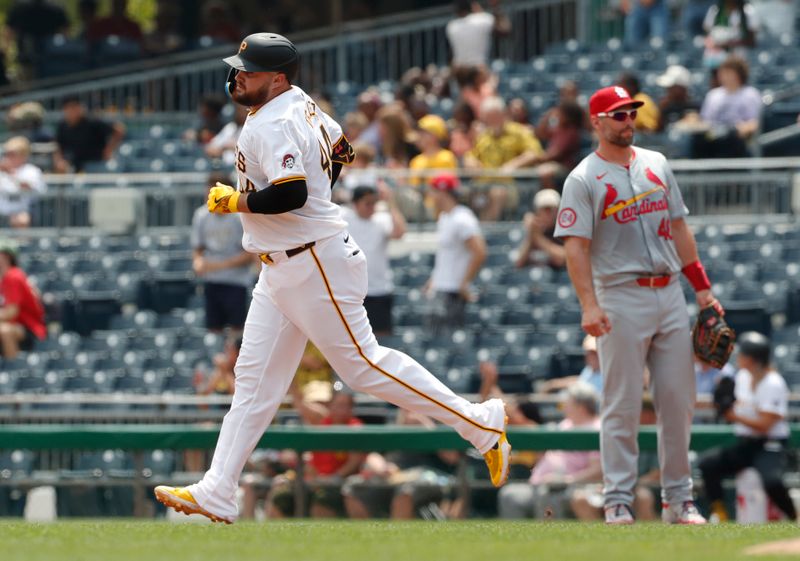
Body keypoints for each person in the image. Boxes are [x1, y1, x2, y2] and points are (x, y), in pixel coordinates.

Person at [154, 33, 511, 525]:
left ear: (277, 78)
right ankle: (218, 488)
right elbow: (341, 150)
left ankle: (479, 422)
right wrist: (313, 204)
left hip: (312, 260)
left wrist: (235, 202)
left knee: (363, 366)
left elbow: (293, 193)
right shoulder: (301, 105)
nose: (238, 76)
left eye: (249, 70)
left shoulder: (273, 122)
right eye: (238, 67)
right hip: (283, 265)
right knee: (253, 384)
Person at [554, 85, 724, 525]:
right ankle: (617, 500)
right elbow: (576, 249)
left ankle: (679, 500)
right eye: (618, 114)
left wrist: (701, 288)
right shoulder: (583, 177)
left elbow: (681, 228)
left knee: (678, 400)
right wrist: (588, 305)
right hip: (619, 294)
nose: (628, 120)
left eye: (631, 113)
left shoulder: (657, 164)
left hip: (669, 293)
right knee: (623, 404)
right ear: (598, 122)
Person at [699, 332, 798, 522]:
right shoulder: (742, 377)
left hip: (770, 445)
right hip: (746, 445)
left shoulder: (773, 383)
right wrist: (722, 401)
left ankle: (793, 516)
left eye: (743, 354)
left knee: (772, 481)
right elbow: (726, 397)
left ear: (752, 359)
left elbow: (765, 425)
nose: (739, 357)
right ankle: (720, 513)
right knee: (708, 465)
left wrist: (731, 415)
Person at [497, 383, 603, 519]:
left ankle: (549, 539)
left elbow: (598, 470)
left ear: (580, 406)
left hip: (575, 486)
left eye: (567, 403)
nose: (563, 407)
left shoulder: (596, 428)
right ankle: (514, 540)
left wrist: (566, 480)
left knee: (546, 494)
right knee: (509, 495)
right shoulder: (565, 424)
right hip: (540, 482)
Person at [267, 384, 366, 519]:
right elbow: (300, 403)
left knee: (322, 500)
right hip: (313, 481)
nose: (343, 410)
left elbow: (354, 463)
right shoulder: (322, 420)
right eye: (339, 405)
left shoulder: (355, 427)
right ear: (330, 405)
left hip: (337, 483)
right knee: (281, 494)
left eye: (347, 406)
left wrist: (331, 478)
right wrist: (290, 381)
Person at [191, 172, 255, 334]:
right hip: (212, 280)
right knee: (213, 328)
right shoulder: (201, 215)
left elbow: (250, 253)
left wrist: (219, 265)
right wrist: (198, 262)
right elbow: (198, 249)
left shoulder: (239, 216)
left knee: (238, 329)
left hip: (236, 281)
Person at [425, 173, 487, 335]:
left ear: (443, 192)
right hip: (442, 287)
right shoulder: (445, 217)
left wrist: (464, 283)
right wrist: (434, 279)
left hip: (453, 290)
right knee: (434, 336)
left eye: (433, 191)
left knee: (447, 340)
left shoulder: (462, 218)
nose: (430, 195)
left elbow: (480, 252)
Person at [465, 96, 544, 221]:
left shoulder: (519, 131)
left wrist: (513, 165)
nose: (491, 121)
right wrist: (470, 162)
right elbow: (471, 155)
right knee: (464, 192)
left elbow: (535, 153)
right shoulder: (484, 136)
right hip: (483, 184)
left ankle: (486, 230)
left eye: (494, 116)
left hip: (510, 186)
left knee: (497, 193)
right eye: (488, 117)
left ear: (503, 114)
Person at [341, 185, 406, 337]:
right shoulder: (344, 217)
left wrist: (391, 202)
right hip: (352, 290)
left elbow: (399, 233)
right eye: (367, 203)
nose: (372, 207)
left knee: (381, 338)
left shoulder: (381, 219)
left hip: (379, 289)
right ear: (355, 204)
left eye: (374, 203)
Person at [693, 55, 761, 158]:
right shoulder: (713, 95)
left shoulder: (750, 94)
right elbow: (705, 121)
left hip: (737, 138)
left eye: (728, 72)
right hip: (714, 137)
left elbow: (754, 123)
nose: (724, 76)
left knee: (731, 138)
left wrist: (739, 130)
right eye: (722, 72)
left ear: (739, 74)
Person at [53, 96, 125, 173]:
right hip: (76, 164)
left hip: (97, 163)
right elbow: (58, 145)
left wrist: (109, 150)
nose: (73, 110)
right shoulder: (63, 126)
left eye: (75, 106)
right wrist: (59, 161)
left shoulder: (92, 121)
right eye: (69, 107)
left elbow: (119, 129)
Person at [0, 243, 46, 359]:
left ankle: (12, 368)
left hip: (30, 327)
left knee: (4, 330)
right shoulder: (5, 277)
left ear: (6, 257)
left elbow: (12, 312)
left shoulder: (13, 276)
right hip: (15, 324)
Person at [0, 137, 47, 229]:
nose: (8, 157)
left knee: (21, 219)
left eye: (12, 154)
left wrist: (11, 174)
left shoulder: (31, 171)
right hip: (2, 212)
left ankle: (22, 243)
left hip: (24, 211)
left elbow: (29, 187)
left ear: (23, 155)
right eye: (7, 154)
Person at [514, 189, 566, 270]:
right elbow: (518, 263)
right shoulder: (531, 230)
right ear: (537, 211)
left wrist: (538, 239)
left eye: (551, 209)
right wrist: (531, 236)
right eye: (544, 209)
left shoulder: (564, 231)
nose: (549, 214)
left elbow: (562, 259)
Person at [446, 0, 497, 68]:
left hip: (460, 67)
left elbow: (451, 51)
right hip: (479, 67)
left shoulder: (452, 26)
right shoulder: (483, 19)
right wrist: (493, 8)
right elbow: (504, 29)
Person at [655, 65, 700, 132]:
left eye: (671, 87)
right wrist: (660, 112)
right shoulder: (666, 107)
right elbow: (659, 132)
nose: (668, 90)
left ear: (681, 88)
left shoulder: (696, 108)